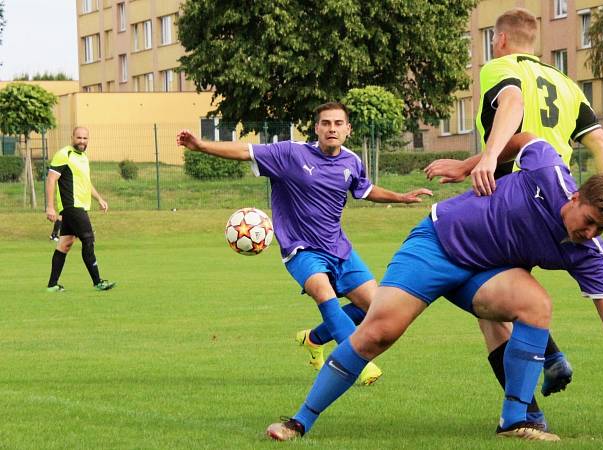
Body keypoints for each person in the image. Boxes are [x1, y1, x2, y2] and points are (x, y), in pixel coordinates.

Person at [266, 133, 603, 442]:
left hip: (483, 274)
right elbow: (519, 137)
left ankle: (515, 420)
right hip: (436, 244)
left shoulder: (587, 252)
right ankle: (299, 420)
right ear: (576, 196)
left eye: (602, 228)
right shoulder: (548, 168)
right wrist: (475, 163)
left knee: (536, 304)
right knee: (379, 333)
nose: (591, 233)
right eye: (589, 221)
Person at [424, 7, 603, 428]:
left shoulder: (498, 67)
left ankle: (525, 415)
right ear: (535, 43)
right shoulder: (569, 85)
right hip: (561, 205)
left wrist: (475, 163)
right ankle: (547, 363)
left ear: (499, 41)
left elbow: (513, 116)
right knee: (514, 300)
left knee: (489, 312)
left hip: (507, 198)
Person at [176, 102, 432, 386]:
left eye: (337, 123)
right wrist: (200, 145)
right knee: (325, 295)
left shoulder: (351, 161)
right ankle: (359, 363)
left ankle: (315, 338)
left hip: (339, 248)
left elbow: (365, 190)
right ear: (316, 128)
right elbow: (243, 151)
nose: (331, 128)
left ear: (348, 129)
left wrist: (401, 197)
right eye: (325, 123)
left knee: (378, 309)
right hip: (301, 249)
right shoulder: (290, 153)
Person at [45, 126, 116, 292]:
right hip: (72, 206)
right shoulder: (64, 154)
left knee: (65, 244)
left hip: (79, 206)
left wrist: (99, 199)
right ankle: (98, 281)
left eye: (85, 138)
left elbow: (86, 183)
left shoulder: (83, 157)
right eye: (79, 138)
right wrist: (50, 206)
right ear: (72, 137)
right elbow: (50, 179)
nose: (82, 141)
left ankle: (52, 285)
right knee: (88, 239)